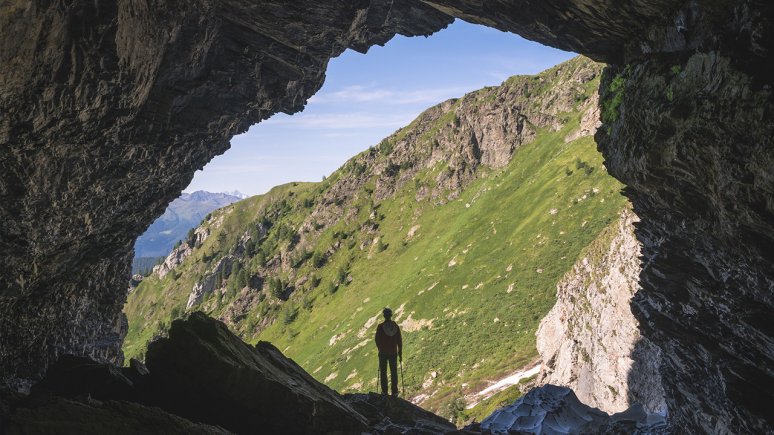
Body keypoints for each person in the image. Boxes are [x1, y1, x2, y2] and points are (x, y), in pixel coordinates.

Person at [374, 307, 402, 396]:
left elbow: (377, 340)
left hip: (383, 353)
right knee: (394, 372)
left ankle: (384, 391)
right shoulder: (395, 326)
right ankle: (394, 392)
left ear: (384, 315)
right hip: (393, 352)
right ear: (391, 315)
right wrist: (400, 352)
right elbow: (399, 340)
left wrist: (380, 349)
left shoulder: (380, 327)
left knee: (383, 372)